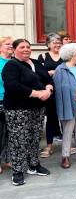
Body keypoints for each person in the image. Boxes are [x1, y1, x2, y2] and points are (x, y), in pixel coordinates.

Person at [2, 39, 53, 186]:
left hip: (37, 108)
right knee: (19, 140)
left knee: (35, 136)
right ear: (14, 49)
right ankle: (17, 171)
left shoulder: (35, 63)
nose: (26, 49)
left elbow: (47, 78)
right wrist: (38, 93)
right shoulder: (11, 65)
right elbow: (13, 86)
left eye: (28, 47)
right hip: (18, 109)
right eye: (22, 47)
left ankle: (33, 165)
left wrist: (48, 90)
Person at [38, 33, 63, 158]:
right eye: (54, 42)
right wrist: (50, 73)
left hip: (64, 91)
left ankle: (67, 144)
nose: (57, 44)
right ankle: (49, 146)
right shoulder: (43, 56)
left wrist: (56, 72)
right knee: (51, 119)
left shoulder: (64, 56)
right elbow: (39, 74)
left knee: (65, 118)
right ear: (48, 44)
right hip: (50, 92)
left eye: (59, 42)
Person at [0, 36, 12, 174]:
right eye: (7, 44)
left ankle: (8, 159)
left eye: (11, 44)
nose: (10, 46)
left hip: (13, 101)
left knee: (11, 133)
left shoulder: (15, 62)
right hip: (0, 99)